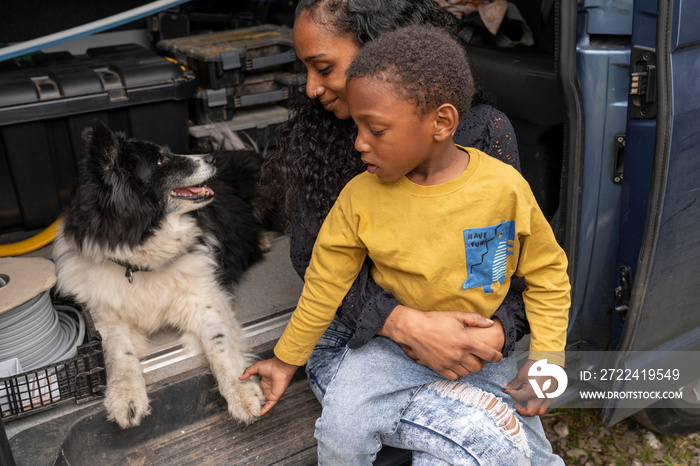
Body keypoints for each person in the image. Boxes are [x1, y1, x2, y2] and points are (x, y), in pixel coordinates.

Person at [244, 22, 570, 465]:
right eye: (357, 126)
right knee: (340, 430)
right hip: (388, 353)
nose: (359, 143)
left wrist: (548, 360)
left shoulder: (504, 189)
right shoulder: (359, 197)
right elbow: (324, 287)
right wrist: (285, 362)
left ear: (441, 122)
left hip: (480, 357)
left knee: (532, 454)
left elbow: (548, 275)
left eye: (375, 129)